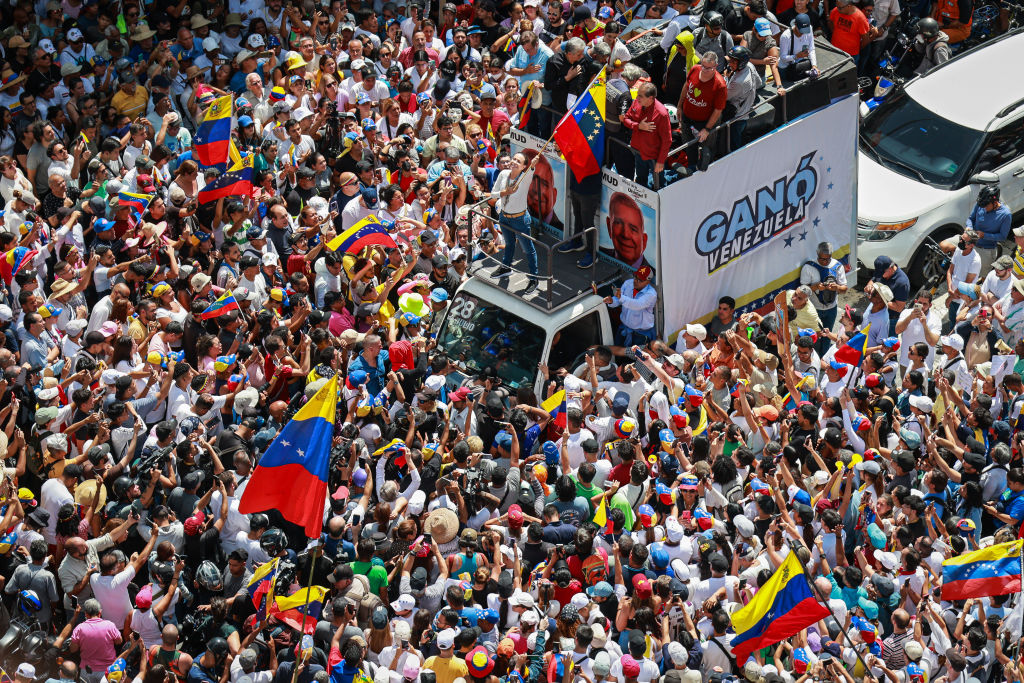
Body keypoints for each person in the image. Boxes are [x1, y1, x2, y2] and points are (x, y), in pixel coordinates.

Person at [491, 152, 542, 292]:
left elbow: (531, 169)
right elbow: (493, 193)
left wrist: (532, 165)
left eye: (518, 162)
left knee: (528, 249)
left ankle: (534, 278)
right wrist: (504, 192)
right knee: (509, 243)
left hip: (520, 219)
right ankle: (505, 267)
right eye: (514, 159)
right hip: (504, 216)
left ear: (524, 166)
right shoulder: (503, 174)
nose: (514, 162)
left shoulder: (524, 177)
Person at [622, 82, 671, 189]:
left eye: (640, 96)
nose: (637, 98)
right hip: (638, 152)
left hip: (654, 157)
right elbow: (625, 119)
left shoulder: (661, 114)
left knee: (660, 184)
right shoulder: (636, 103)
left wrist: (660, 162)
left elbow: (667, 140)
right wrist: (638, 126)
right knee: (640, 179)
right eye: (638, 94)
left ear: (651, 98)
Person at [599, 192, 653, 270]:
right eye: (618, 223)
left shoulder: (652, 276)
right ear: (609, 226)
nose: (626, 234)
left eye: (633, 229)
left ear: (644, 241)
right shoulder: (600, 254)